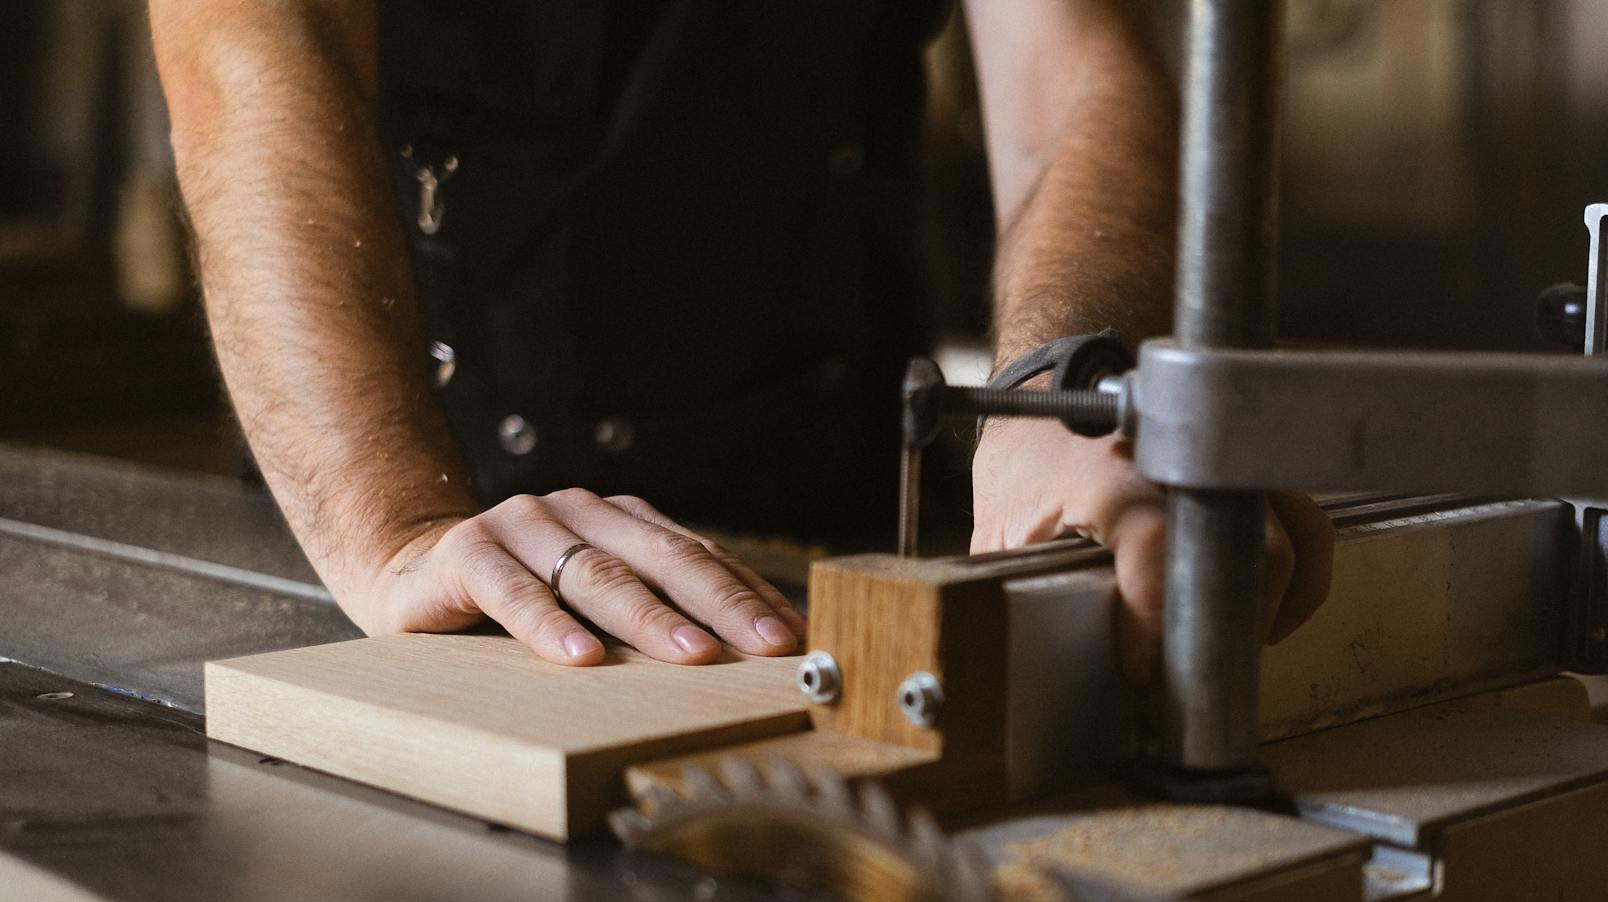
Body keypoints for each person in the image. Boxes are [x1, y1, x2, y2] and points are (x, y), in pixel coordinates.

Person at [150, 0, 1331, 681]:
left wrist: (1071, 387)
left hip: (837, 493)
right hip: (425, 513)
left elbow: (1074, 68)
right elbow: (251, 48)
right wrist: (390, 521)